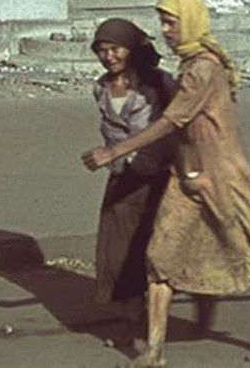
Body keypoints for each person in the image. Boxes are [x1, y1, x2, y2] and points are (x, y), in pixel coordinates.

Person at [82, 0, 250, 367]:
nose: (164, 30)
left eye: (170, 22)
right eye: (162, 22)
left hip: (223, 175)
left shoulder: (203, 69)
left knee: (247, 254)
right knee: (159, 257)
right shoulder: (188, 65)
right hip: (188, 172)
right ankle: (155, 350)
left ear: (190, 22)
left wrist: (115, 151)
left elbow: (172, 121)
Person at [88, 18, 176, 348]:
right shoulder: (100, 87)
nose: (108, 56)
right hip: (122, 181)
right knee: (117, 255)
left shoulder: (159, 84)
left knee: (153, 255)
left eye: (115, 49)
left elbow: (177, 126)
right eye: (102, 50)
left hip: (158, 182)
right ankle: (131, 323)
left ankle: (151, 329)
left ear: (131, 49)